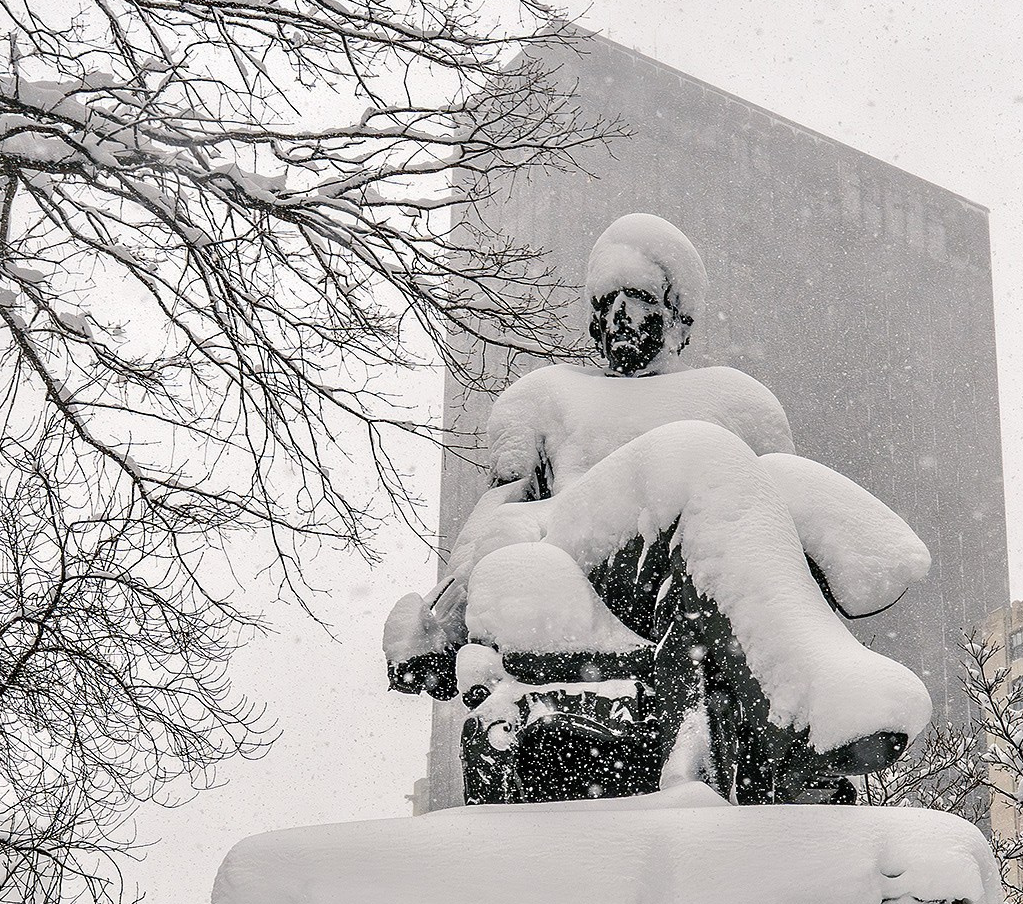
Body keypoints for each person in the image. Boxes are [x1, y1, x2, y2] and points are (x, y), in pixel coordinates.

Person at [386, 214, 931, 804]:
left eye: (638, 299)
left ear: (677, 317)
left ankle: (790, 700)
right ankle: (804, 703)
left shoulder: (738, 403)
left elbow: (761, 528)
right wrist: (442, 623)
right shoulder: (545, 400)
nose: (620, 315)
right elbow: (493, 524)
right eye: (608, 302)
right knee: (698, 456)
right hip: (584, 560)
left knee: (765, 480)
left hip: (687, 592)